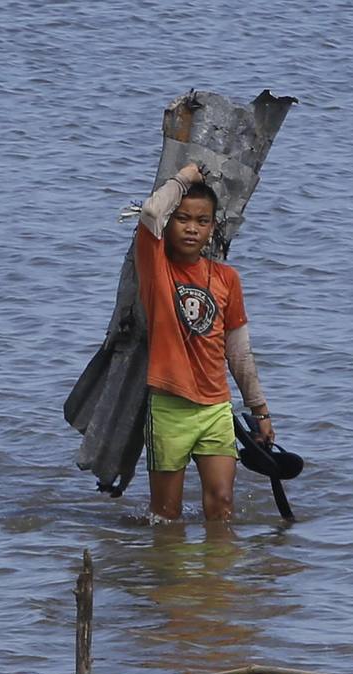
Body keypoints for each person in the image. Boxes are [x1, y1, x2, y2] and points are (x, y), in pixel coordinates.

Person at [135, 162, 275, 522]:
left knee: (222, 504)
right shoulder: (156, 268)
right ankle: (174, 577)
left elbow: (238, 351)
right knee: (166, 517)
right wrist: (184, 177)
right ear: (170, 224)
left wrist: (259, 409)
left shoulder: (227, 279)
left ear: (213, 228)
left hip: (215, 409)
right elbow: (151, 211)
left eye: (202, 221)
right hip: (169, 408)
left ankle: (216, 579)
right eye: (182, 218)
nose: (192, 229)